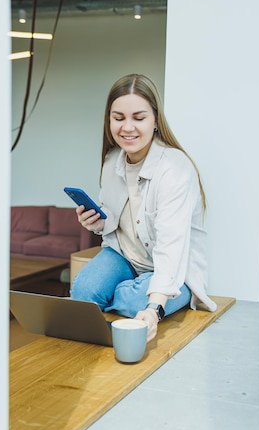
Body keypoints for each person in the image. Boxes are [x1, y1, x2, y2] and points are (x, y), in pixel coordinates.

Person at [71, 73, 216, 342]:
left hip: (172, 268)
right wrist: (99, 223)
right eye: (118, 118)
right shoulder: (112, 160)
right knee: (82, 292)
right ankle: (124, 293)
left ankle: (153, 296)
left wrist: (153, 309)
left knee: (134, 301)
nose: (128, 127)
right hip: (125, 257)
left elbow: (172, 247)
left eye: (139, 118)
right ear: (109, 120)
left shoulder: (175, 169)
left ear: (156, 120)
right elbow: (119, 220)